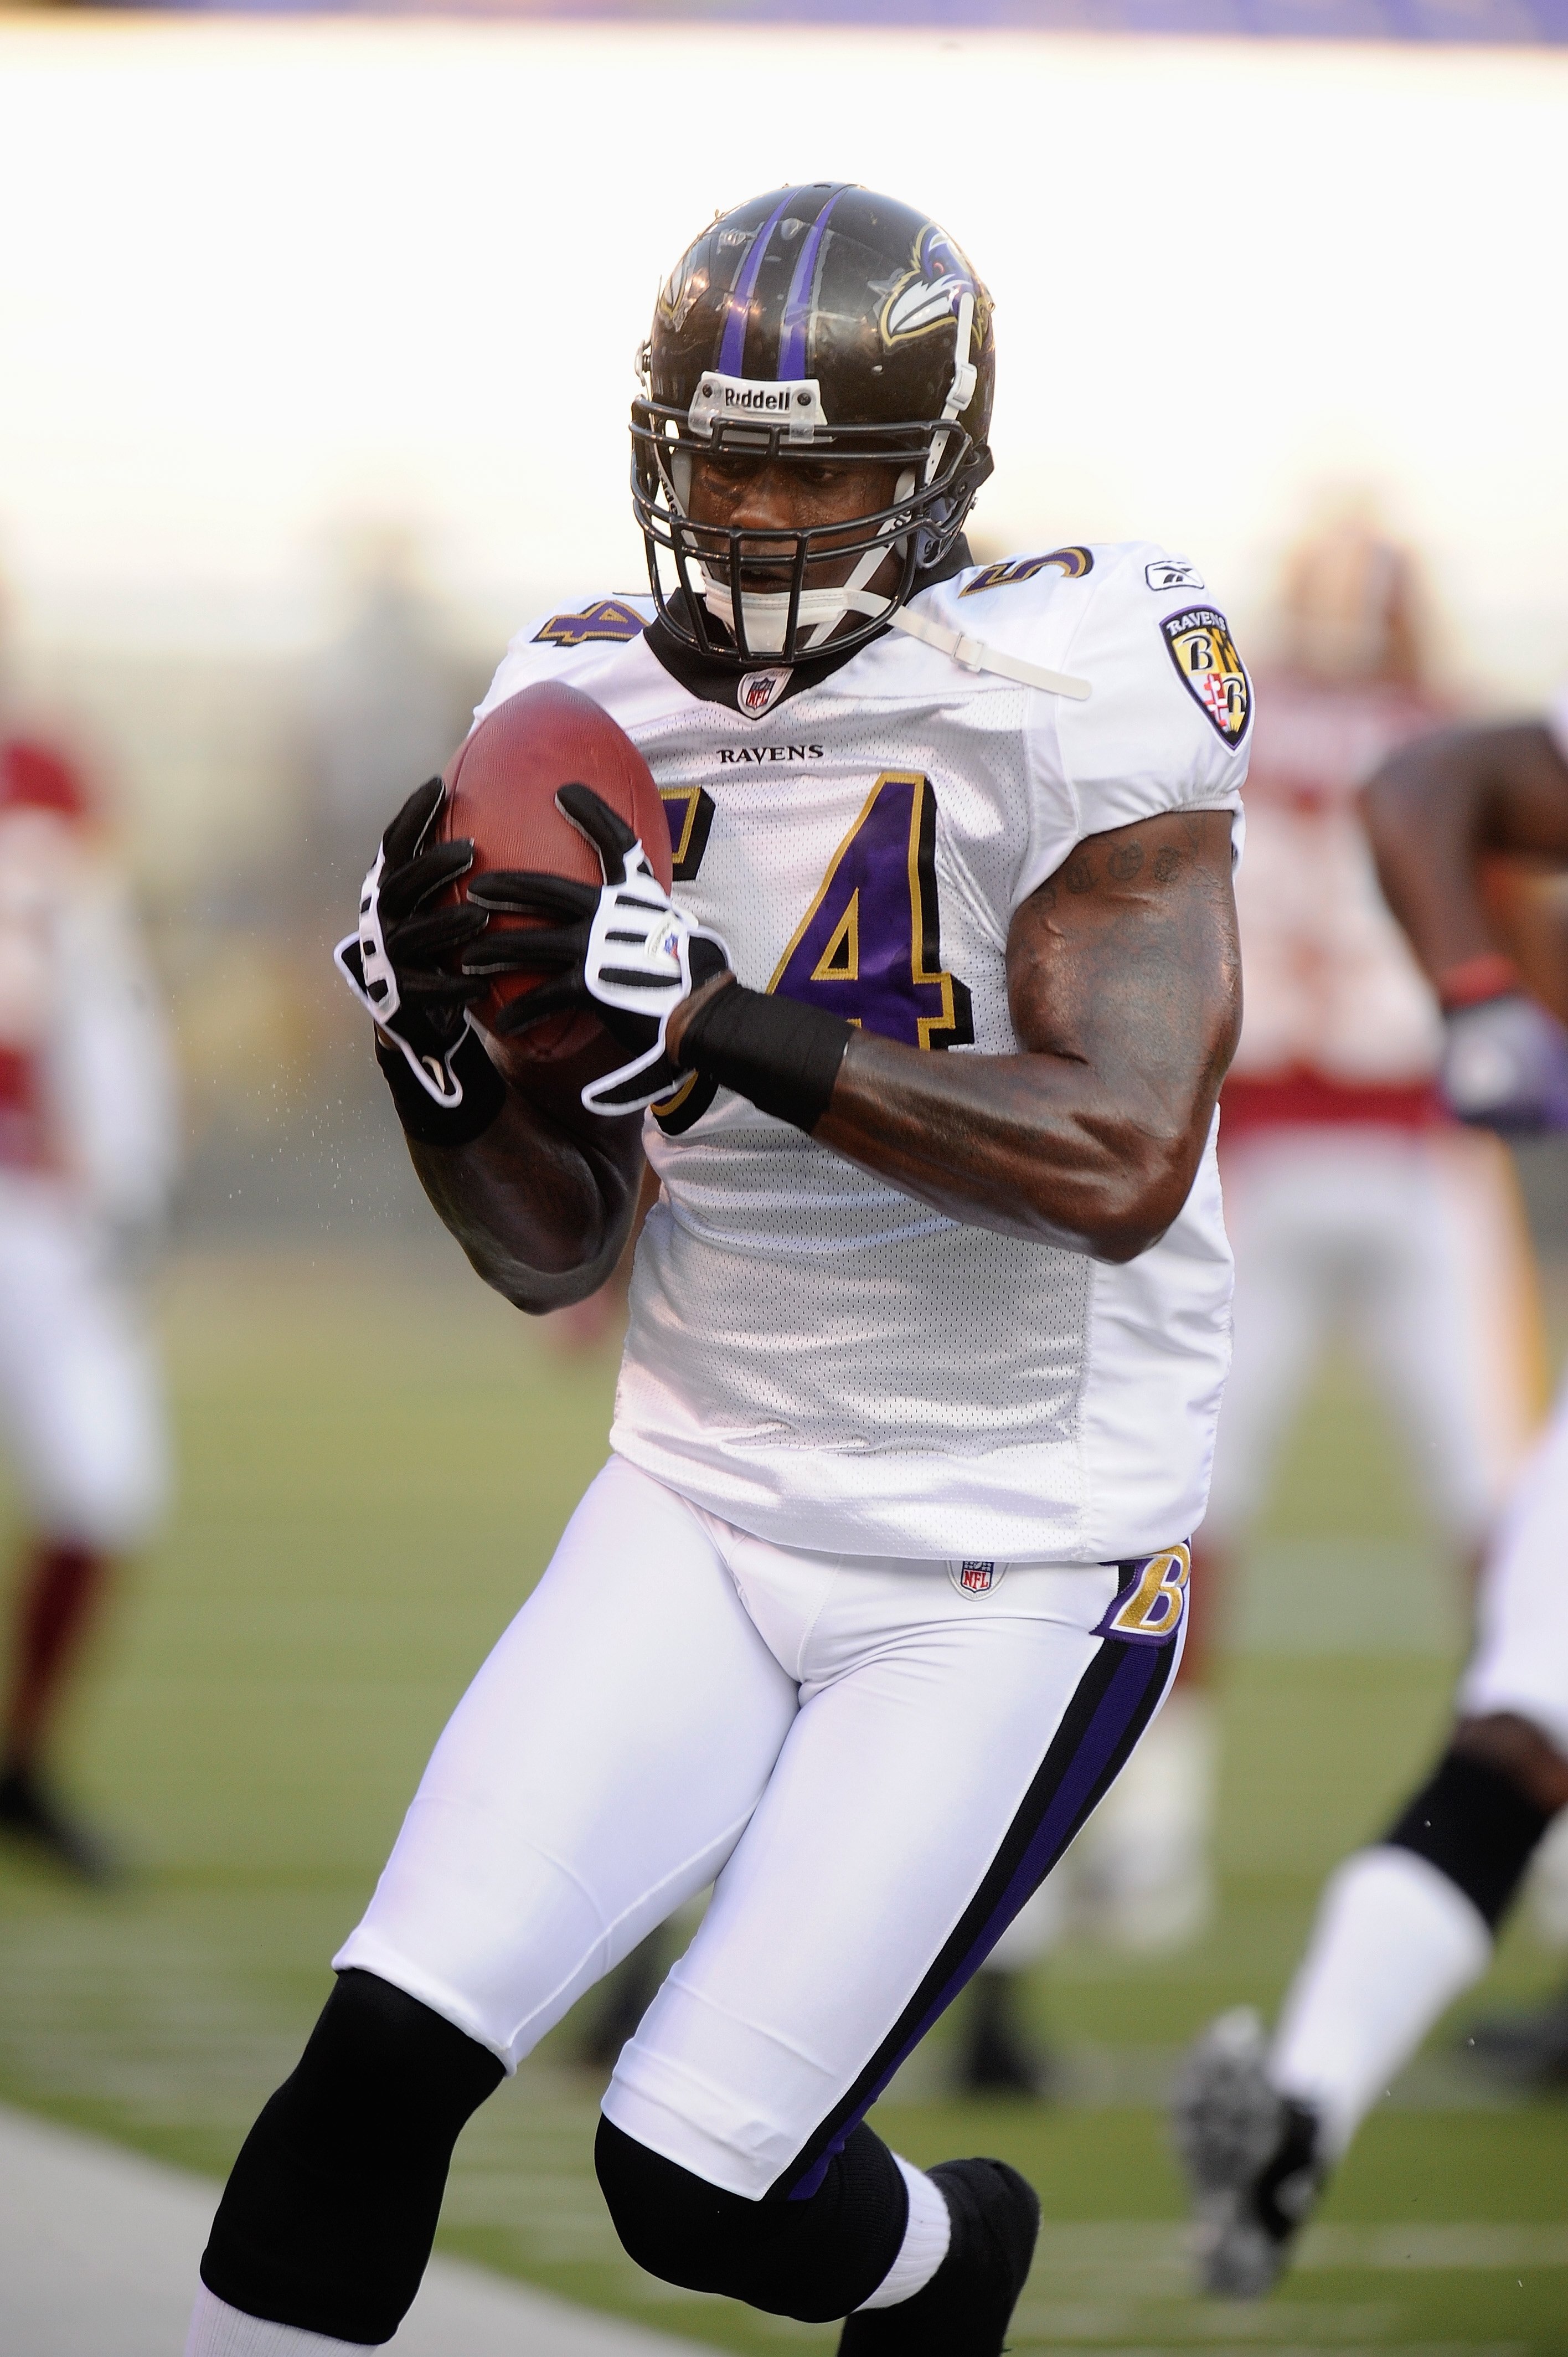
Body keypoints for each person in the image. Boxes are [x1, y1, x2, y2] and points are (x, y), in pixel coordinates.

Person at [185, 183, 1247, 2357]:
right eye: (723, 458)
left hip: (1011, 1554)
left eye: (818, 466)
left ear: (936, 470)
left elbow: (1125, 1158)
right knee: (374, 2067)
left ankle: (955, 2264)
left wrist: (730, 1019)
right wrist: (436, 1053)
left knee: (691, 2182)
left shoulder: (1078, 667)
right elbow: (551, 1239)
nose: (758, 510)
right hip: (692, 1493)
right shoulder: (575, 691)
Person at [1173, 692, 1568, 2297]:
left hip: (1297, 1162)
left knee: (1515, 1742)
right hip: (1365, 1165)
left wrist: (1483, 996)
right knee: (1513, 1730)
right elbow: (1423, 779)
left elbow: (1425, 788)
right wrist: (1482, 991)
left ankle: (1312, 2099)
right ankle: (1306, 2100)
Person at [0, 724, 178, 1879]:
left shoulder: (51, 769)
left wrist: (120, 1157)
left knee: (110, 1488)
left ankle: (22, 1764)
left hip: (43, 1209)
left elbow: (97, 993)